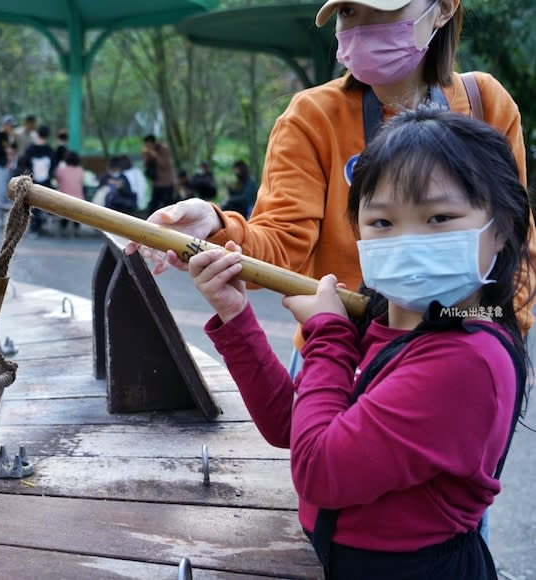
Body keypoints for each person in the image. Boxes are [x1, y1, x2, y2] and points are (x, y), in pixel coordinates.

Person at [189, 108, 532, 579]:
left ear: (500, 229)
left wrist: (328, 335)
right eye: (383, 223)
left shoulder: (468, 358)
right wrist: (235, 314)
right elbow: (294, 427)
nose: (408, 241)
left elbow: (317, 469)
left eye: (438, 217)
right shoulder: (392, 324)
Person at [127, 0, 536, 342]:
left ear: (444, 8)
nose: (360, 27)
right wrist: (216, 227)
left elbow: (518, 253)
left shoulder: (486, 103)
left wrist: (486, 333)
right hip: (341, 360)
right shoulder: (310, 117)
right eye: (347, 13)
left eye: (379, 10)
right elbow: (282, 249)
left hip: (466, 360)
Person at [21, 125, 56, 237]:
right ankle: (40, 226)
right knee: (44, 204)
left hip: (32, 181)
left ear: (37, 133)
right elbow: (53, 166)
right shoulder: (50, 150)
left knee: (33, 205)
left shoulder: (30, 150)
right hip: (46, 183)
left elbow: (25, 164)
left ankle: (33, 229)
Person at [142, 134, 176, 213]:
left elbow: (164, 164)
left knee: (168, 206)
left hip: (166, 183)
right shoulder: (148, 152)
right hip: (157, 183)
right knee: (153, 206)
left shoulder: (163, 149)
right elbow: (146, 165)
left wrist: (154, 155)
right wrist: (146, 157)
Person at [54, 150, 85, 237]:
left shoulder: (60, 170)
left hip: (64, 201)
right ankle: (76, 229)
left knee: (64, 207)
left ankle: (63, 228)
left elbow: (58, 181)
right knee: (74, 208)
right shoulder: (81, 170)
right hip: (79, 202)